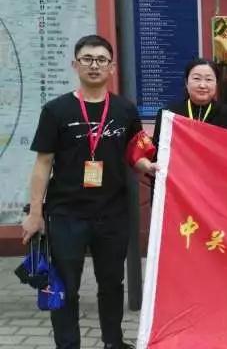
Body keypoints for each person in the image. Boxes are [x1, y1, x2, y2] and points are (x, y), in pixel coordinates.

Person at [21, 35, 156, 349]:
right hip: (67, 213)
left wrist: (147, 166)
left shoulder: (125, 110)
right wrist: (36, 214)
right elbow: (43, 164)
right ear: (75, 64)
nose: (94, 65)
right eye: (87, 59)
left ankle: (113, 342)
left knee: (112, 284)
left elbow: (136, 152)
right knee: (65, 286)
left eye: (101, 60)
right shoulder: (55, 110)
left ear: (111, 67)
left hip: (112, 213)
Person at [152, 58, 227, 151]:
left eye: (208, 79)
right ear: (186, 82)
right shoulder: (169, 114)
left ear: (216, 84)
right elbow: (158, 152)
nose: (202, 85)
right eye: (197, 78)